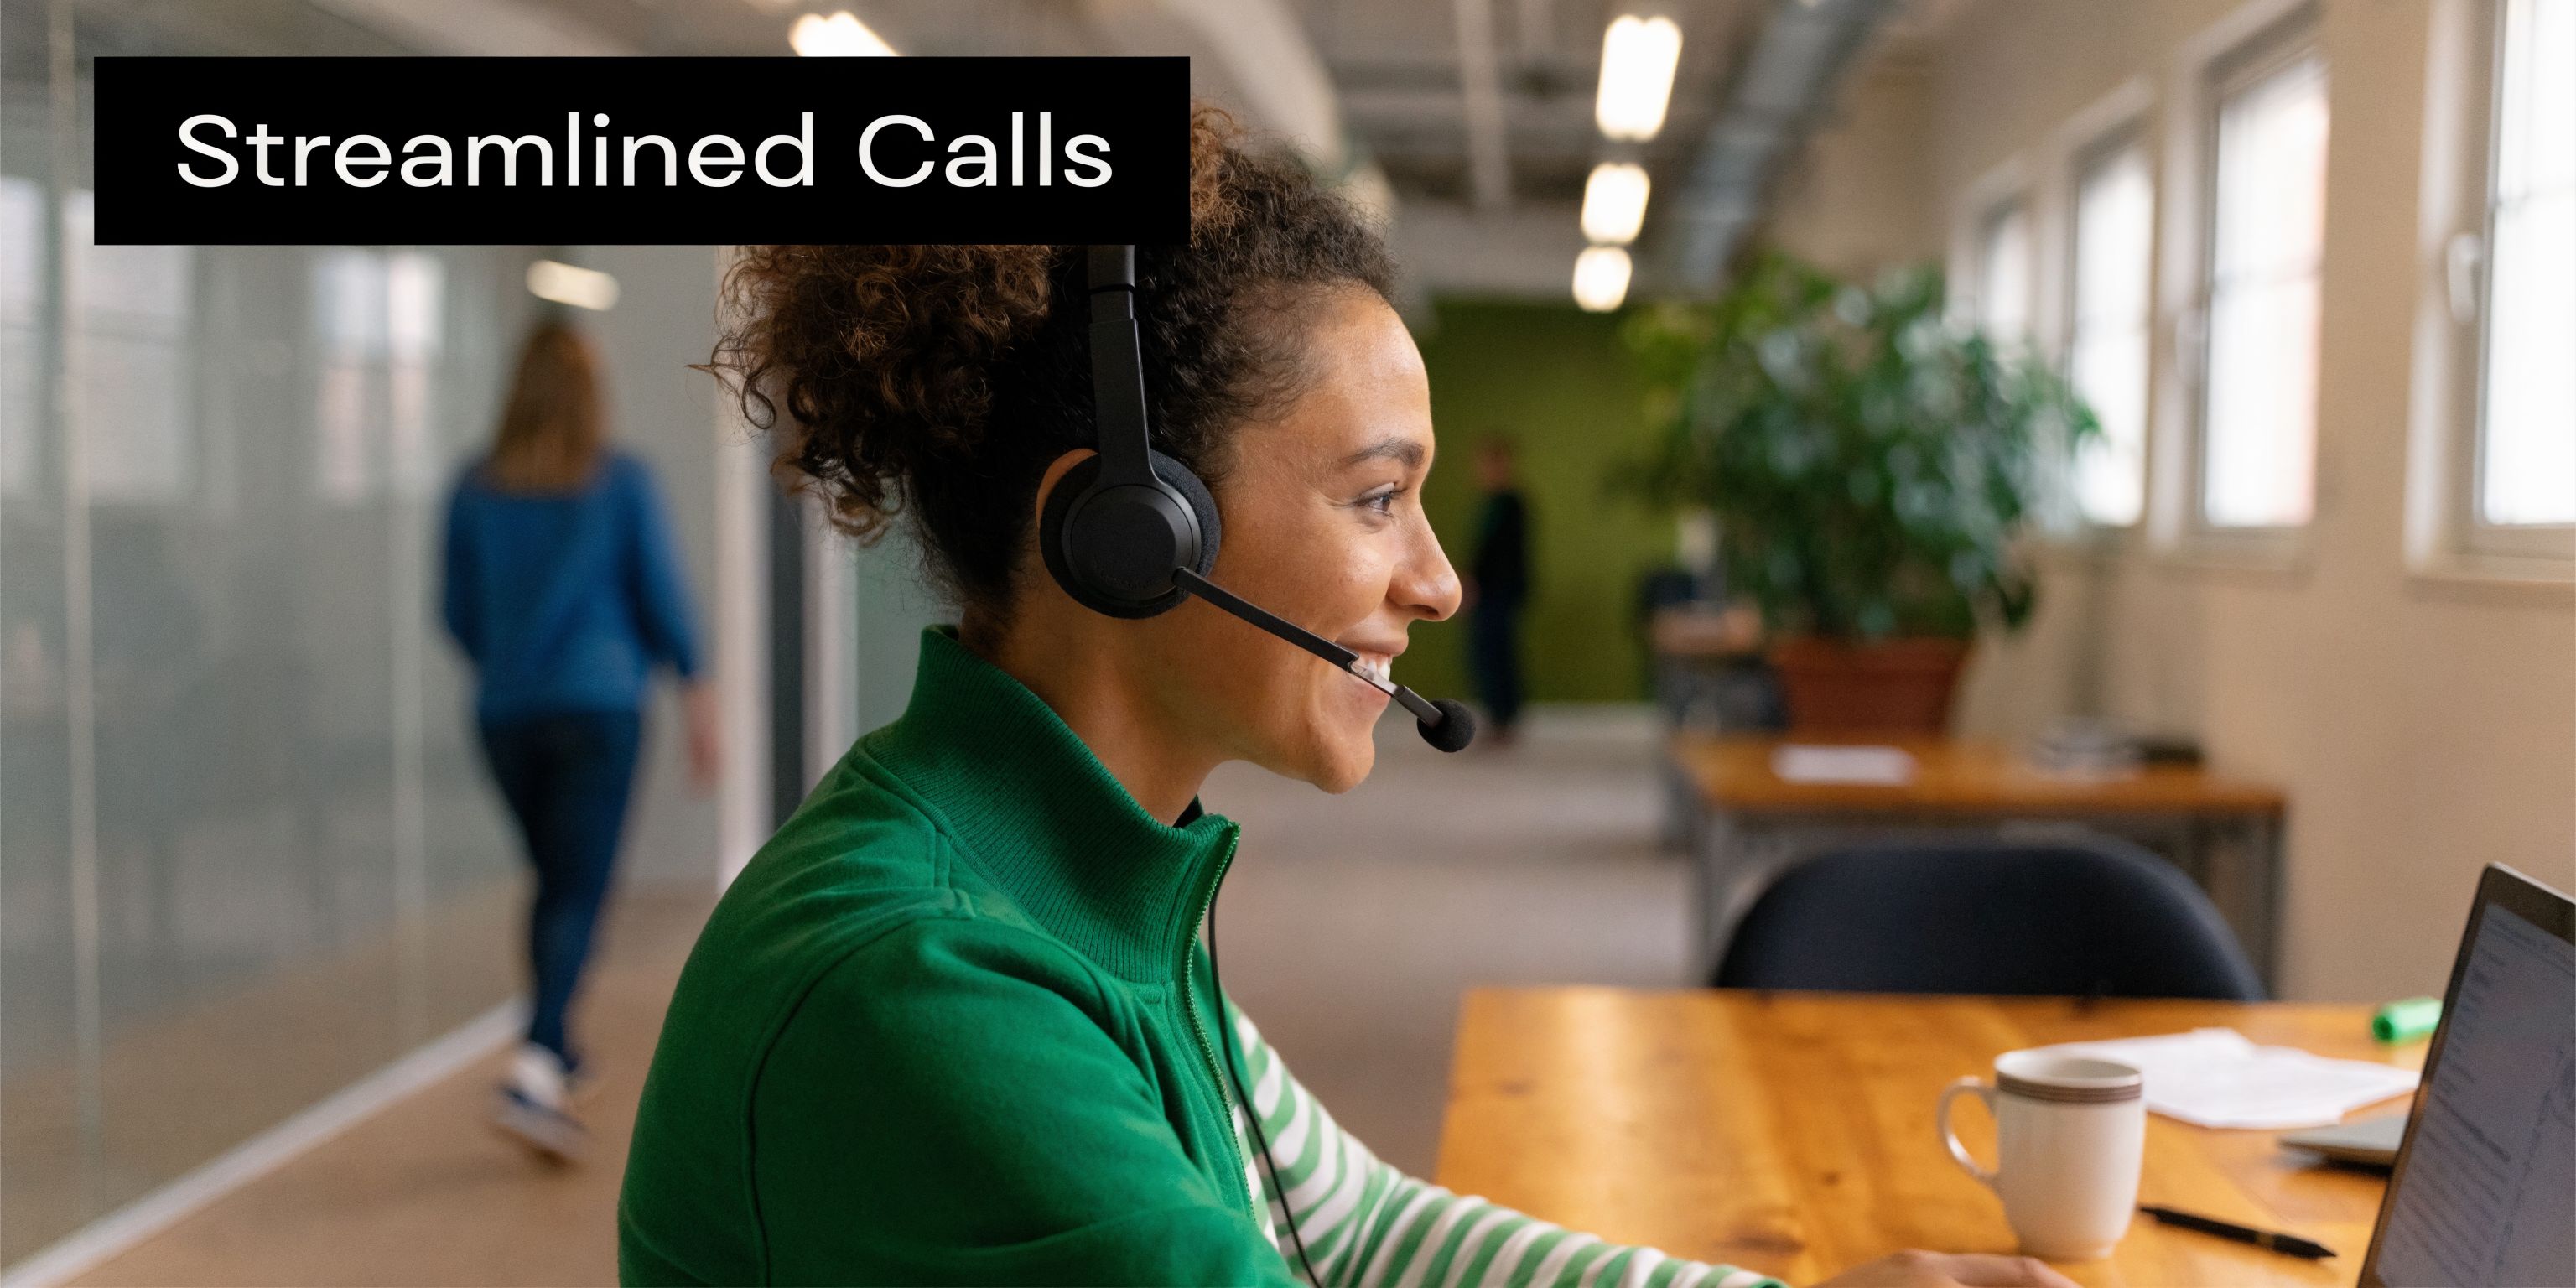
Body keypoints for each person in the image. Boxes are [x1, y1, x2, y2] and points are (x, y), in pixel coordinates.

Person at [617, 110, 2074, 1288]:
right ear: (1131, 536)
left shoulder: (1085, 877)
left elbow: (1359, 1229)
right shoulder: (925, 980)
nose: (1435, 582)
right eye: (1377, 497)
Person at [441, 319, 719, 1160]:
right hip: (599, 709)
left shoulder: (473, 486)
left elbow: (455, 610)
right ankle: (532, 1065)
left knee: (555, 882)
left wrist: (511, 665)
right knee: (577, 890)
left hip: (506, 716)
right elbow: (662, 600)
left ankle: (558, 1048)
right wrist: (701, 698)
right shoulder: (619, 482)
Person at [1466, 434, 1532, 744]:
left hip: (1499, 593)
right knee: (1486, 655)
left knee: (1498, 655)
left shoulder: (1511, 505)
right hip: (1488, 593)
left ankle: (1505, 719)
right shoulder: (1489, 505)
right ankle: (1497, 717)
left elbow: (1507, 556)